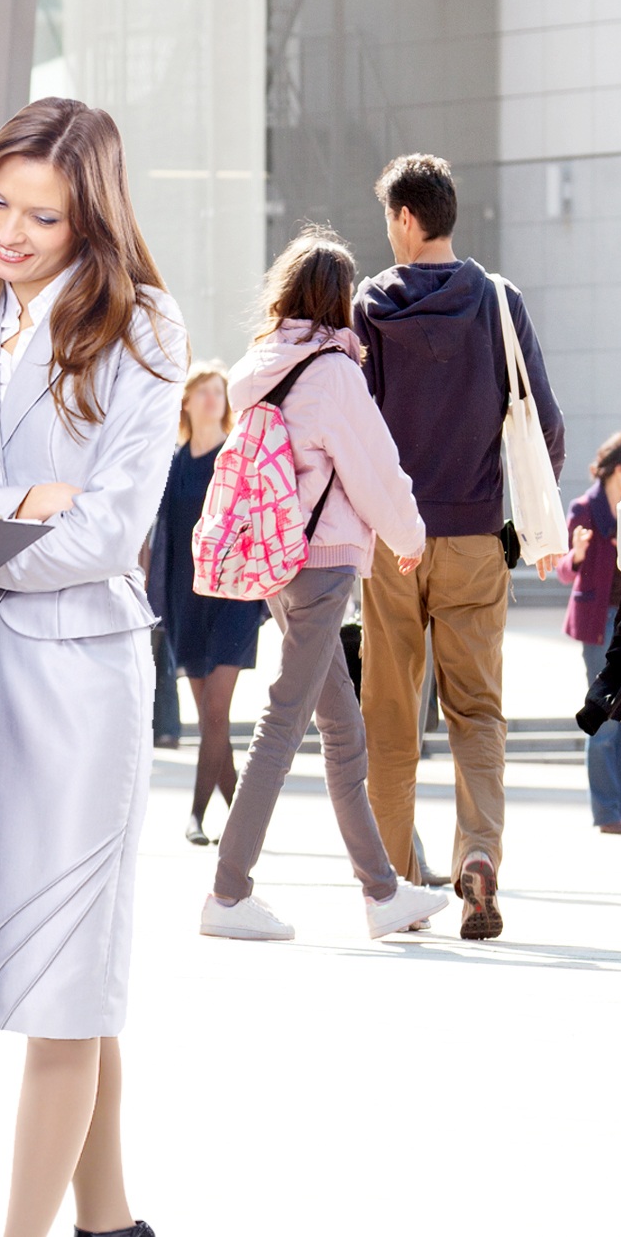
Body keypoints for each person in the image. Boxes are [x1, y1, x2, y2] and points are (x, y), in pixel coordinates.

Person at [0, 98, 180, 1237]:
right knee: (70, 973)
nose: (8, 231)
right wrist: (18, 507)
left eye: (42, 215)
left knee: (61, 988)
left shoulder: (144, 331)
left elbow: (112, 535)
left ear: (89, 222)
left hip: (84, 690)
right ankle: (111, 1221)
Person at [199, 227, 448, 943]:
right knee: (283, 722)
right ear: (338, 300)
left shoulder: (261, 367)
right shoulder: (333, 371)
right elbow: (375, 465)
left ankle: (380, 891)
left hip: (279, 561)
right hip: (324, 558)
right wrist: (410, 538)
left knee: (341, 727)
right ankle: (227, 891)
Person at [353, 152, 565, 940]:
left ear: (406, 219)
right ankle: (477, 857)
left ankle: (397, 885)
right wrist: (519, 522)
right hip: (476, 535)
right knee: (476, 712)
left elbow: (348, 425)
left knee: (389, 715)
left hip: (388, 541)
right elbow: (543, 424)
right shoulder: (499, 303)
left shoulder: (369, 306)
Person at [149, 361, 268, 844]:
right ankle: (245, 821)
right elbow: (164, 543)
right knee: (210, 720)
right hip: (187, 605)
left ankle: (195, 817)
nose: (212, 399)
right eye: (203, 392)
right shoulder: (173, 463)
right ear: (187, 401)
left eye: (219, 392)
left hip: (234, 602)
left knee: (216, 715)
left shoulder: (235, 457)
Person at [558, 431, 621, 835]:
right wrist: (575, 554)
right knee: (606, 718)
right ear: (619, 469)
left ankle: (620, 811)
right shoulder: (584, 509)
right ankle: (606, 812)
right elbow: (562, 569)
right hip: (597, 625)